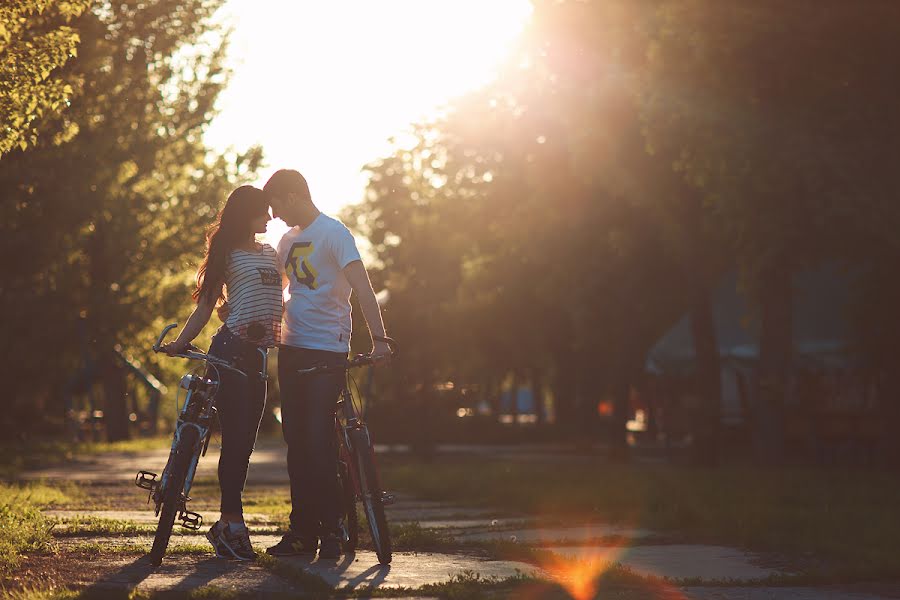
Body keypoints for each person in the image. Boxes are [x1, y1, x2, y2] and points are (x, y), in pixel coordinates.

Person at [262, 169, 391, 560]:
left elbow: (363, 289)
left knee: (318, 441)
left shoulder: (335, 234)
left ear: (293, 196)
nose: (275, 214)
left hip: (326, 349)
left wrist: (381, 339)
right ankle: (302, 531)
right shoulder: (286, 241)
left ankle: (333, 527)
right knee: (296, 444)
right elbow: (278, 289)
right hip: (292, 347)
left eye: (277, 204)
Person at [161, 185, 282, 561]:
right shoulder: (226, 253)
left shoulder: (271, 253)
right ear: (246, 213)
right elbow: (206, 306)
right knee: (233, 442)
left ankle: (228, 525)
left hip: (259, 358)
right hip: (229, 353)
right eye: (263, 211)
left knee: (244, 444)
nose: (269, 217)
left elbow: (277, 298)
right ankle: (233, 523)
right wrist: (181, 342)